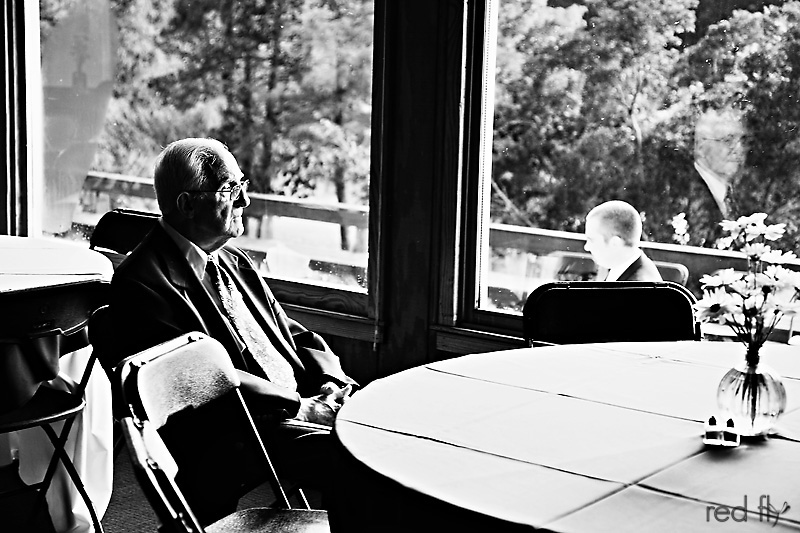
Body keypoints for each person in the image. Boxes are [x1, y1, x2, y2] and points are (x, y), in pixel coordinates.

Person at [109, 138, 357, 512]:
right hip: (240, 427)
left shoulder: (232, 259)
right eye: (229, 189)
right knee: (364, 457)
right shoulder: (142, 282)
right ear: (187, 204)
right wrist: (301, 407)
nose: (245, 201)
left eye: (242, 185)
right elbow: (203, 380)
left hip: (293, 403)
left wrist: (331, 380)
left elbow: (289, 331)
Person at [583, 200, 662, 282]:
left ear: (615, 243)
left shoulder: (638, 284)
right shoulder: (621, 267)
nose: (586, 247)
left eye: (591, 240)